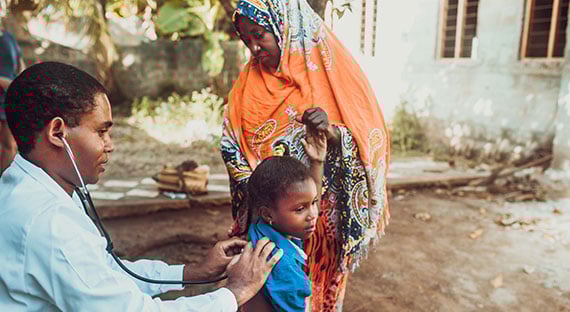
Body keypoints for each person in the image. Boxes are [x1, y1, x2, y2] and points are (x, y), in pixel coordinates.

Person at [0, 61, 283, 311]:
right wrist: (234, 294)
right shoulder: (48, 221)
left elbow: (106, 275)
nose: (109, 146)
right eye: (101, 131)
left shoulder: (31, 185)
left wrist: (192, 272)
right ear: (57, 132)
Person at [220, 0, 391, 310]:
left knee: (318, 294)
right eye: (247, 40)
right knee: (271, 293)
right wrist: (261, 196)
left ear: (284, 28)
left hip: (321, 224)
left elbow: (370, 138)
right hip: (269, 220)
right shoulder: (247, 85)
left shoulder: (330, 73)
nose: (254, 48)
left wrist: (333, 134)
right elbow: (230, 145)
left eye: (260, 35)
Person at [243, 127, 326, 312]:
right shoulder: (284, 265)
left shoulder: (263, 228)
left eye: (313, 203)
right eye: (300, 209)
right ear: (267, 214)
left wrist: (317, 163)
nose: (313, 214)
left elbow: (303, 197)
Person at [0, 26, 24, 174]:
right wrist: (5, 83)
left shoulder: (8, 36)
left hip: (10, 97)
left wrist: (22, 82)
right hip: (5, 90)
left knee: (11, 145)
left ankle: (4, 183)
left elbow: (19, 63)